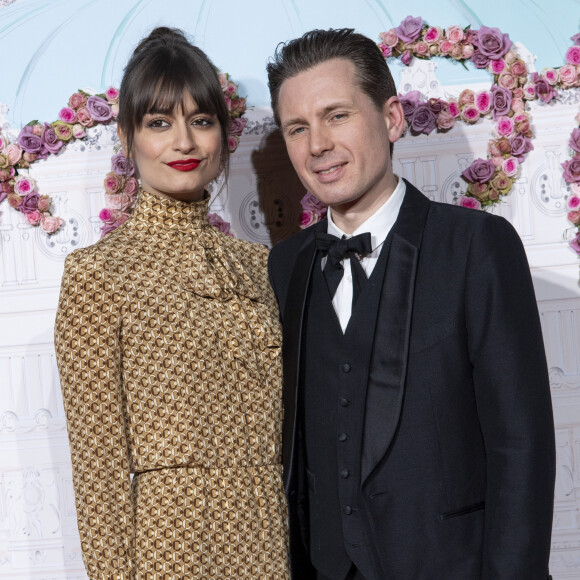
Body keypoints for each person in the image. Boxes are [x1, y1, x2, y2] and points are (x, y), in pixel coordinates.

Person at [266, 28, 555, 580]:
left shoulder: (477, 247)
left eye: (337, 115)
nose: (318, 145)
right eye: (297, 128)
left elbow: (522, 448)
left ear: (392, 118)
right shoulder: (285, 266)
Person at [54, 27, 289, 579]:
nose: (184, 142)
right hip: (170, 554)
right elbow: (99, 467)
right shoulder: (97, 275)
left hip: (271, 542)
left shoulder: (261, 266)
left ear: (223, 136)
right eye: (159, 123)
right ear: (126, 137)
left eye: (201, 121)